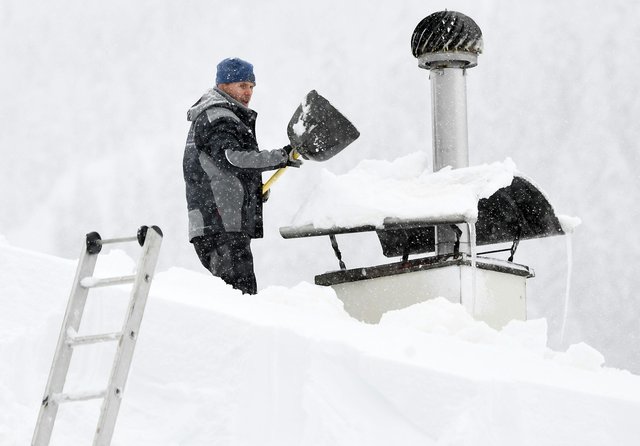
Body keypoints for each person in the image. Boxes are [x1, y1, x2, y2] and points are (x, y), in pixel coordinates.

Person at [183, 57, 301, 294]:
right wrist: (280, 156)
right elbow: (232, 158)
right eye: (242, 85)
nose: (248, 92)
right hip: (220, 224)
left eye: (251, 87)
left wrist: (252, 193)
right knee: (241, 298)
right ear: (223, 86)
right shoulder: (218, 117)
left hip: (217, 224)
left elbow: (222, 171)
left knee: (235, 296)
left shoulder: (222, 115)